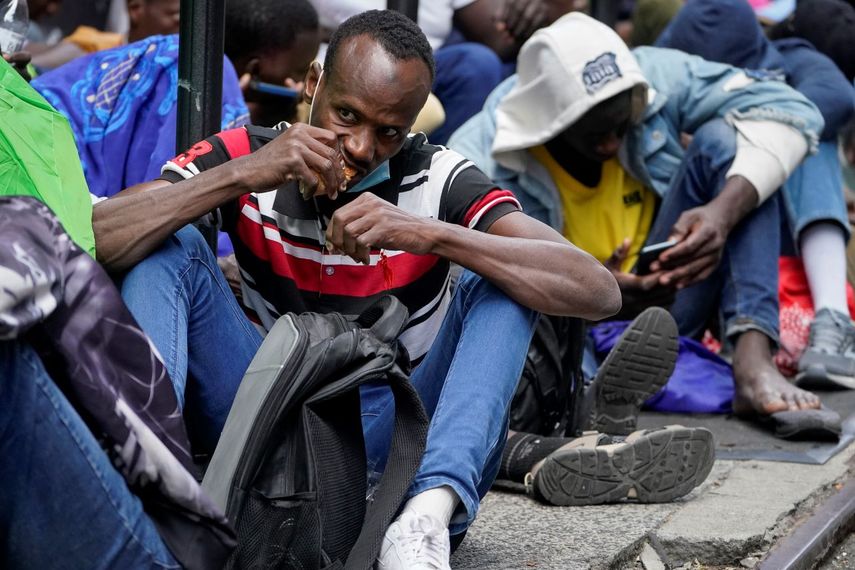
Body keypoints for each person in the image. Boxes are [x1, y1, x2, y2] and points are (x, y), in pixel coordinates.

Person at [93, 9, 621, 568]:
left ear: (413, 122)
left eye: (388, 131)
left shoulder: (437, 176)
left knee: (508, 279)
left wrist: (429, 234)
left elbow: (598, 290)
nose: (363, 147)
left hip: (390, 441)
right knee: (167, 249)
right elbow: (98, 237)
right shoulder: (247, 153)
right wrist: (240, 175)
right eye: (346, 114)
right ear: (313, 84)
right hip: (264, 426)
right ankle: (149, 491)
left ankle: (423, 522)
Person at [449, 13, 831, 434]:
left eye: (622, 127)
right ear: (546, 125)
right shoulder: (481, 153)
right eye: (595, 135)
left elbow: (794, 111)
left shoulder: (657, 75)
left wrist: (720, 216)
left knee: (729, 145)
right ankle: (589, 395)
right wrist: (591, 296)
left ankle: (753, 360)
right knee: (509, 284)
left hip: (667, 302)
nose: (612, 144)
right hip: (572, 324)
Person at [656, 0, 855, 390]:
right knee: (740, 143)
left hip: (770, 260)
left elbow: (836, 97)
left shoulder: (788, 60)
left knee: (797, 131)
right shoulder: (660, 75)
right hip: (684, 270)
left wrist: (741, 122)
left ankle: (832, 320)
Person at [30, 0, 180, 70]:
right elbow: (34, 64)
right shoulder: (96, 47)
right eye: (177, 16)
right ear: (136, 10)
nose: (183, 29)